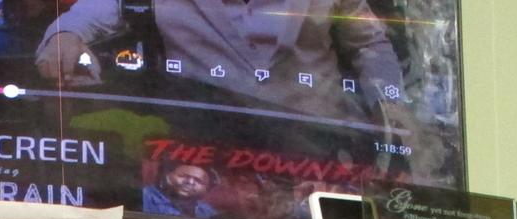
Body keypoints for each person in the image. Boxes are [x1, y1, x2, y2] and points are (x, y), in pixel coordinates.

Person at [36, 0, 412, 132]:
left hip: (319, 142)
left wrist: (389, 103)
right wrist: (63, 38)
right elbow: (83, 15)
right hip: (209, 143)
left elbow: (368, 43)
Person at [142, 161, 218, 219]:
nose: (190, 182)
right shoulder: (144, 197)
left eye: (198, 181)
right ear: (167, 175)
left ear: (206, 188)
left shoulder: (206, 210)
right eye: (183, 176)